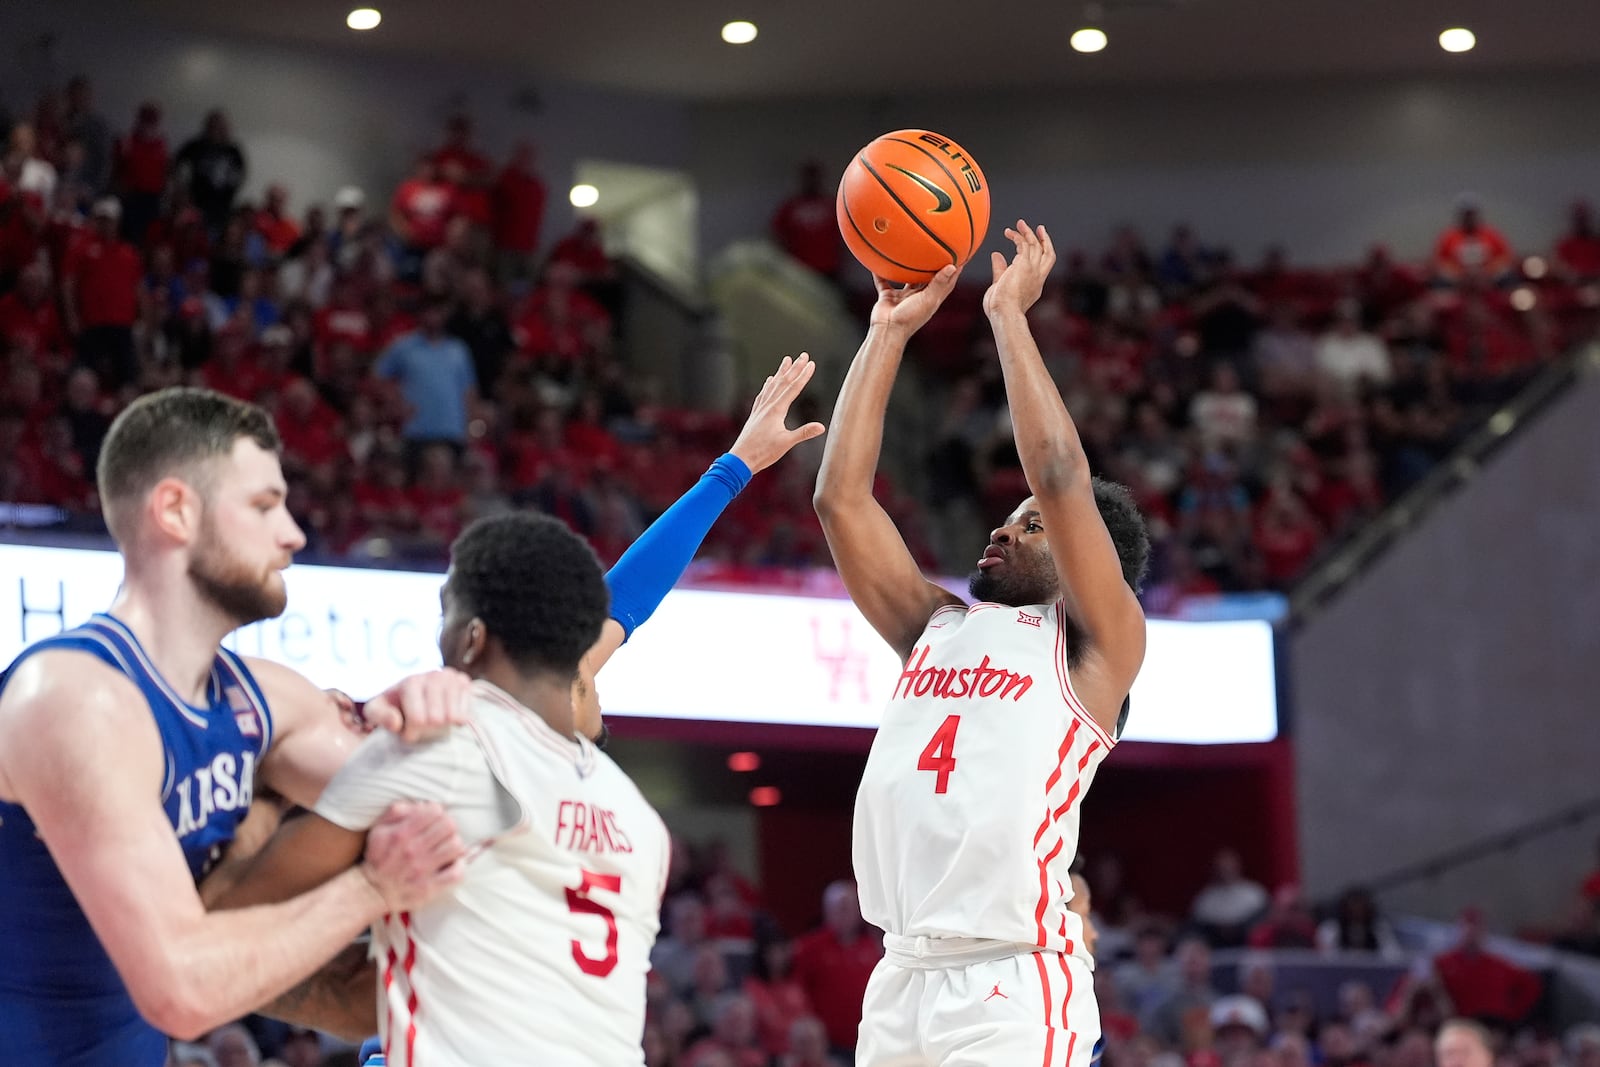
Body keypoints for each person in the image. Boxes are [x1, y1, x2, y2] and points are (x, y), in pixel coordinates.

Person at [216, 356, 827, 1063]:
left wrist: (254, 805)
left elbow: (241, 923)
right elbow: (630, 596)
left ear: (472, 638)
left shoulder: (444, 743)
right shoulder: (638, 820)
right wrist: (734, 467)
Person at [0, 387, 474, 1067]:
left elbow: (441, 801)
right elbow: (182, 993)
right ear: (175, 510)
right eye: (263, 505)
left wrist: (442, 704)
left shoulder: (265, 700)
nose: (293, 533)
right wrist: (373, 887)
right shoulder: (73, 699)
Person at [814, 220, 1150, 1065]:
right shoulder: (936, 627)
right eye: (1003, 520)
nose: (1003, 531)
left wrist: (1007, 317)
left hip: (1013, 978)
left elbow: (1062, 477)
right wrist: (887, 332)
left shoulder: (1095, 647)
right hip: (899, 974)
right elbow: (841, 500)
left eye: (1030, 527)